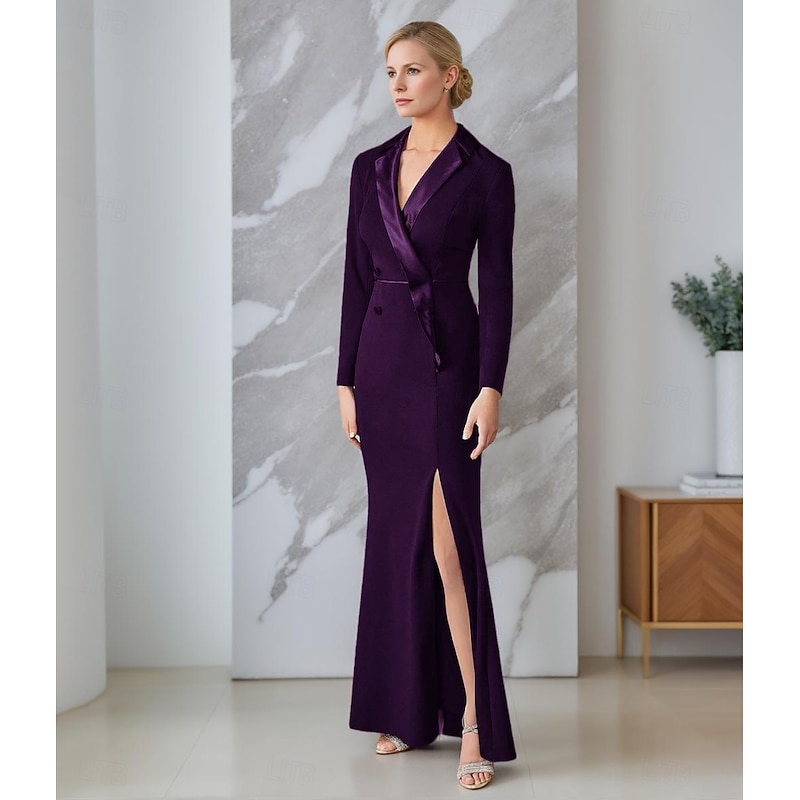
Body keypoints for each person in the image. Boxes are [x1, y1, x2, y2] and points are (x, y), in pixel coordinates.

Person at [335, 20, 517, 791]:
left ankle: (472, 719)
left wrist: (490, 386)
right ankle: (407, 711)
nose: (398, 85)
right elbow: (355, 277)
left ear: (448, 75)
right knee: (396, 543)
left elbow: (498, 288)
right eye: (390, 73)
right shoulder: (370, 166)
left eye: (412, 70)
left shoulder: (486, 172)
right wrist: (345, 381)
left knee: (447, 546)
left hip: (448, 368)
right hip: (380, 369)